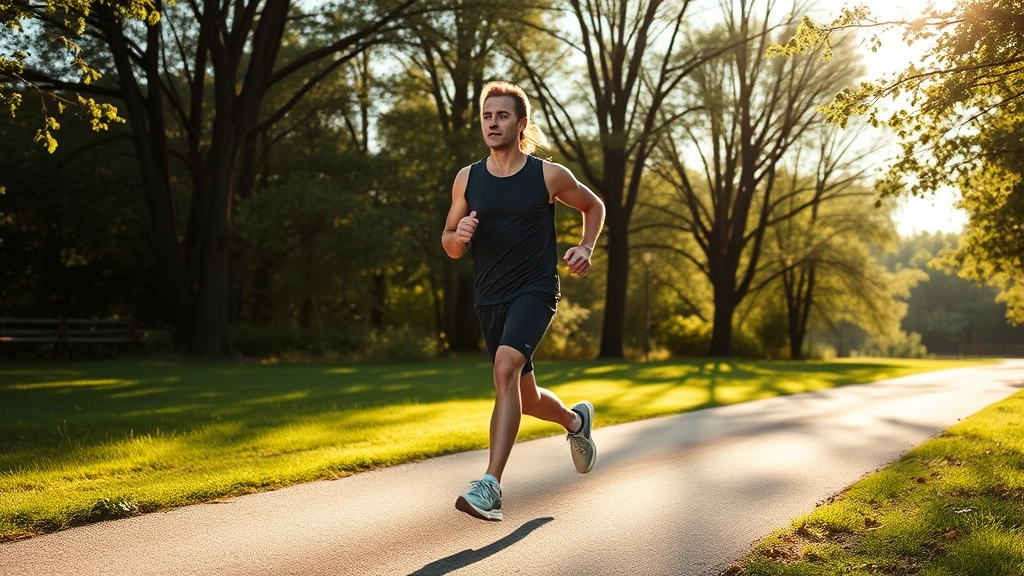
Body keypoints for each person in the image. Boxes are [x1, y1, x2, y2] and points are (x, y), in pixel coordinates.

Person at [441, 80, 606, 521]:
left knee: (504, 368)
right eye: (487, 116)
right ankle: (575, 421)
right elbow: (449, 242)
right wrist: (458, 237)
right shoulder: (468, 178)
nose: (493, 123)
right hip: (488, 298)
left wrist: (586, 247)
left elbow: (594, 206)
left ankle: (490, 485)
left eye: (502, 116)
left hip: (534, 290)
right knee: (525, 396)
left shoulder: (547, 175)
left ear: (521, 124)